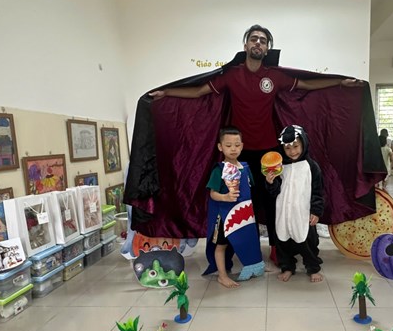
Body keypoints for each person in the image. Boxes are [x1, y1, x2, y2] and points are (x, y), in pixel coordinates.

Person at [149, 25, 361, 263]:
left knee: (272, 200)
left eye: (263, 40)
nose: (258, 43)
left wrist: (339, 83)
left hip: (269, 152)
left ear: (267, 48)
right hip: (238, 153)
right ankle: (237, 249)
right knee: (238, 200)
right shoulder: (231, 75)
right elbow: (199, 92)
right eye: (254, 39)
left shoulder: (275, 76)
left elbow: (307, 85)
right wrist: (167, 93)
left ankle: (276, 248)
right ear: (246, 45)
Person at [204, 127, 265, 288]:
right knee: (221, 245)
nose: (233, 149)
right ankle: (222, 275)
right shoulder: (219, 170)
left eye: (237, 145)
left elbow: (249, 188)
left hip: (244, 214)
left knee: (248, 240)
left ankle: (254, 265)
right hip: (225, 215)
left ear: (242, 146)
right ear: (220, 147)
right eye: (228, 145)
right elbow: (212, 193)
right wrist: (225, 197)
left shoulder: (245, 167)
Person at [265, 125, 324, 283]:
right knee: (283, 241)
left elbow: (317, 191)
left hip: (302, 213)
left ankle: (313, 267)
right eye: (287, 148)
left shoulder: (312, 167)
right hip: (283, 213)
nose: (292, 152)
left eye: (296, 146)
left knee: (308, 242)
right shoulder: (280, 167)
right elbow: (274, 191)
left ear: (303, 143)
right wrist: (270, 182)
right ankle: (287, 267)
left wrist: (316, 211)